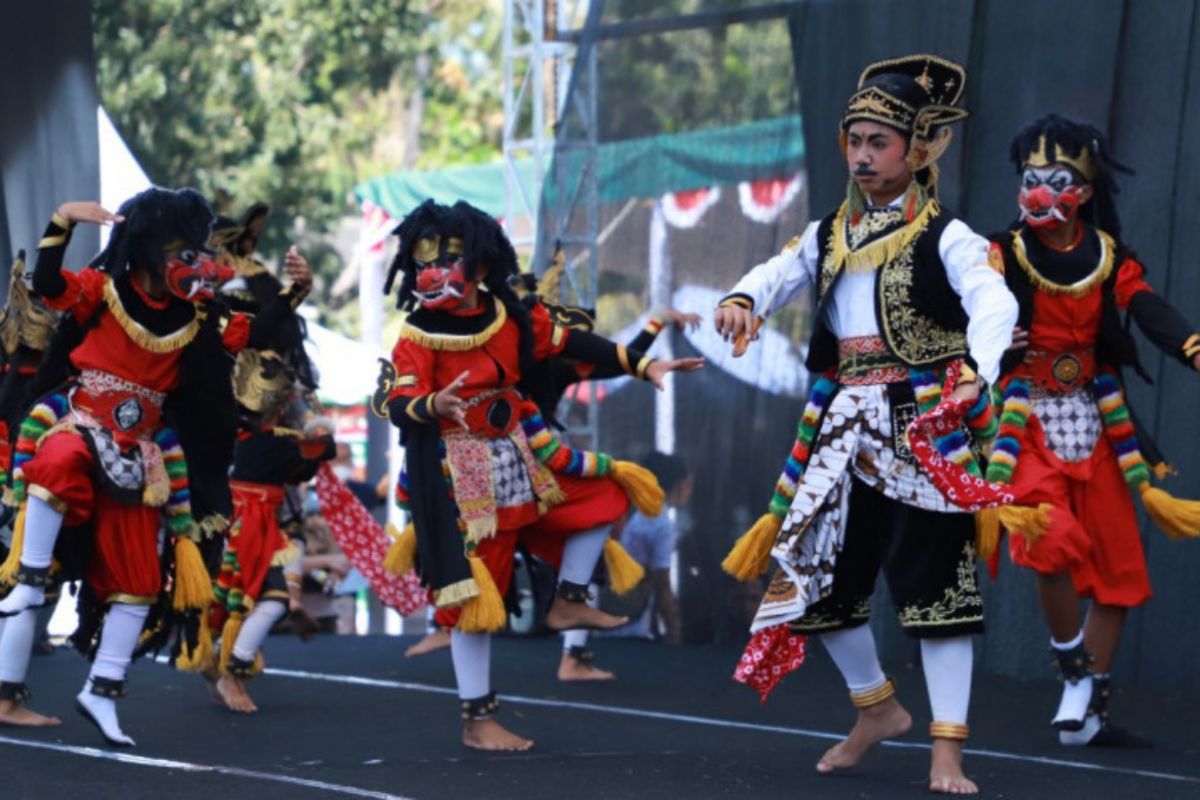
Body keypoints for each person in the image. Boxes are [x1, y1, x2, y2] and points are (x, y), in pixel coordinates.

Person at [715, 54, 1017, 794]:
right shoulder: (826, 233)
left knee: (938, 590)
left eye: (878, 142)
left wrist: (978, 370)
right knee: (814, 579)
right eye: (854, 140)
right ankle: (876, 708)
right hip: (840, 425)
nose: (862, 155)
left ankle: (948, 748)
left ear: (916, 150)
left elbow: (994, 300)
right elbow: (775, 271)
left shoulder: (948, 234)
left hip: (922, 427)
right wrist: (741, 301)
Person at [380, 199, 702, 751]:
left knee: (603, 493)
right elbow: (398, 399)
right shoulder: (416, 336)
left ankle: (568, 599)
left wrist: (644, 364)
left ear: (480, 269)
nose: (429, 272)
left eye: (446, 259)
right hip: (463, 480)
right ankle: (477, 719)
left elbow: (574, 344)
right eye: (422, 259)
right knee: (477, 605)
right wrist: (433, 405)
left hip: (522, 457)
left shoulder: (512, 317)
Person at [0, 189, 295, 746]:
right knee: (57, 461)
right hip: (82, 423)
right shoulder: (103, 289)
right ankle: (29, 576)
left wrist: (294, 290)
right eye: (183, 251)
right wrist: (60, 220)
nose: (197, 263)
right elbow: (48, 287)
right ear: (148, 249)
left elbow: (254, 333)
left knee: (138, 579)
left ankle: (103, 688)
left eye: (199, 251)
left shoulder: (200, 315)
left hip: (143, 453)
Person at [983, 114, 1200, 746]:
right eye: (1031, 179)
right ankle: (1073, 666)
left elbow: (1148, 308)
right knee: (1048, 537)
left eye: (1057, 180)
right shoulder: (1000, 254)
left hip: (1096, 416)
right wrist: (992, 340)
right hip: (1025, 422)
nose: (1041, 192)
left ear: (1083, 189)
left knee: (1119, 569)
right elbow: (962, 310)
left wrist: (1193, 347)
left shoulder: (1109, 258)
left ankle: (1091, 708)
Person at [203, 346, 335, 714]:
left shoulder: (232, 434)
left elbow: (303, 468)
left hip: (232, 522)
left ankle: (219, 659)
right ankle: (231, 668)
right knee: (274, 598)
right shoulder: (275, 441)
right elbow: (323, 449)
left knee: (250, 600)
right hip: (253, 527)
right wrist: (312, 412)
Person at [0, 253, 61, 727]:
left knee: (31, 584)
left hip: (28, 486)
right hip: (15, 489)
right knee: (25, 584)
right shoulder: (23, 373)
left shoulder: (50, 371)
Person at [605, 450, 689, 645]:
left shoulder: (640, 515)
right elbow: (663, 584)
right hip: (630, 627)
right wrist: (673, 630)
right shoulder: (661, 524)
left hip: (620, 618)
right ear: (680, 485)